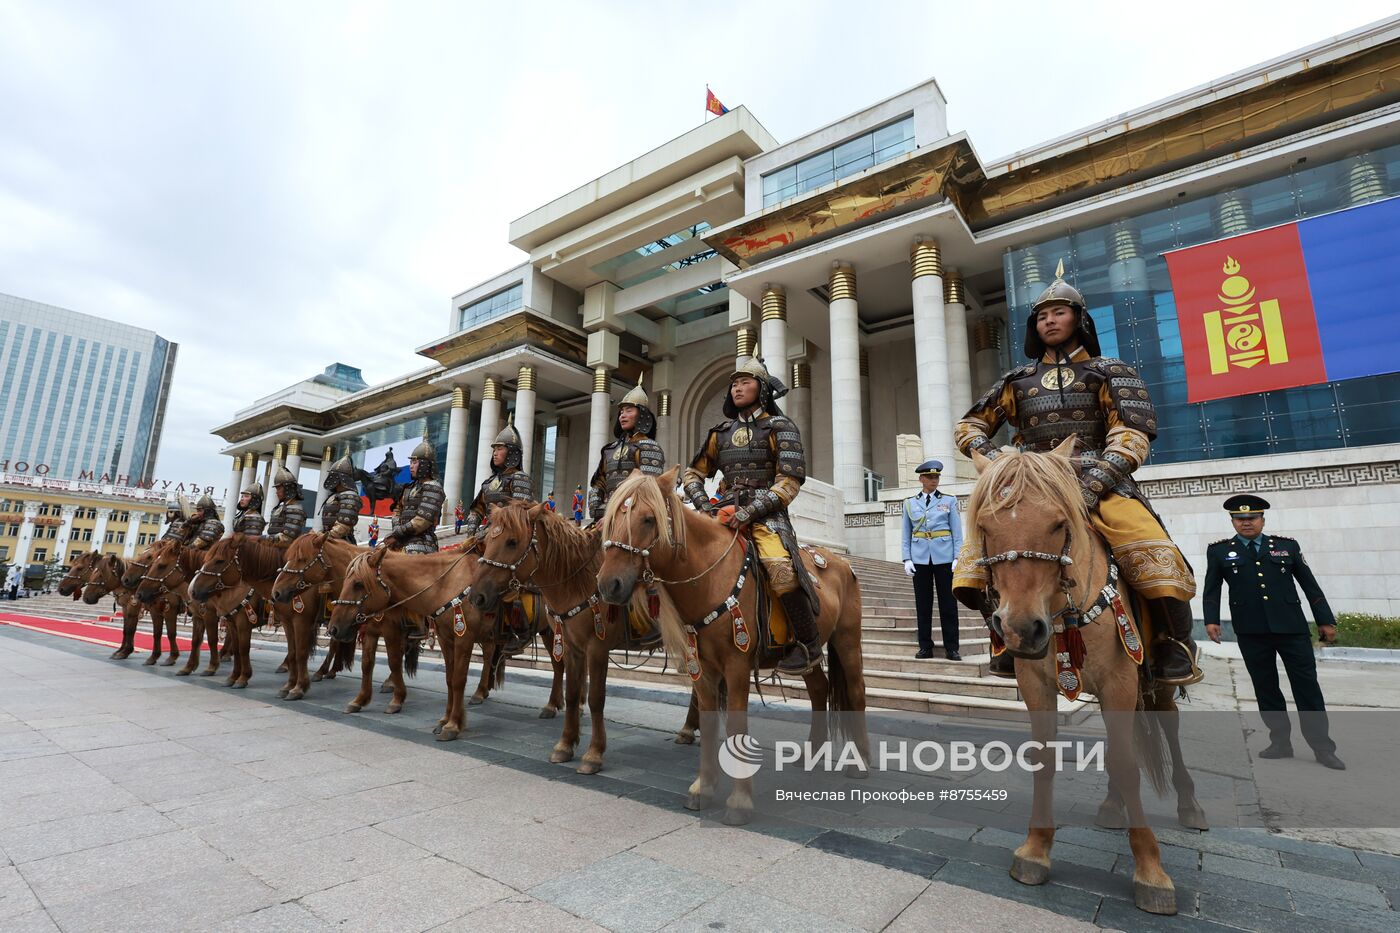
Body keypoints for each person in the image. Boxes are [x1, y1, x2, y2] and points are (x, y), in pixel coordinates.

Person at [952, 263, 1200, 685]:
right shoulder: (1017, 380)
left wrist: (1096, 480)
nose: (1050, 320)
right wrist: (999, 463)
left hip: (1100, 481)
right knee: (972, 565)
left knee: (1152, 548)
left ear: (1079, 319)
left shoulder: (1111, 371)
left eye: (1059, 312)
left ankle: (1174, 644)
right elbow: (968, 427)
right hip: (1030, 486)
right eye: (1042, 315)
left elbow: (1132, 431)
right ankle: (1009, 637)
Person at [682, 356, 819, 675]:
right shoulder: (720, 432)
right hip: (723, 513)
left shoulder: (781, 427)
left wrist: (752, 510)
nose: (737, 388)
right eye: (734, 383)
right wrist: (703, 505)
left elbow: (789, 481)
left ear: (762, 389)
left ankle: (807, 643)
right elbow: (692, 474)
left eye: (745, 381)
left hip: (766, 517)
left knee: (781, 570)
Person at [1202, 495, 1344, 770]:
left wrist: (1325, 620)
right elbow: (1212, 589)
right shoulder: (1219, 552)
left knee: (1307, 688)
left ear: (1262, 520)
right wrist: (1211, 620)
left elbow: (1310, 586)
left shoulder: (1286, 547)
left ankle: (1323, 748)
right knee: (1266, 689)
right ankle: (1280, 742)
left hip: (1292, 629)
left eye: (1252, 518)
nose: (1246, 523)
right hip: (1251, 630)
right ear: (1232, 521)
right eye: (1240, 519)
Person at [380, 438, 445, 641]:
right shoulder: (409, 488)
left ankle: (417, 620)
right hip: (401, 538)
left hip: (421, 541)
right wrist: (396, 530)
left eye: (416, 462)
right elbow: (397, 509)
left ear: (425, 465)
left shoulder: (433, 487)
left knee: (410, 563)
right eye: (411, 461)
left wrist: (398, 534)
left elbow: (422, 520)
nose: (411, 466)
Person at [901, 459, 963, 661]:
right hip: (920, 559)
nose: (934, 480)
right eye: (930, 477)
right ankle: (925, 646)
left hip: (944, 558)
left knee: (948, 604)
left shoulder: (949, 501)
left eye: (936, 477)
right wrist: (906, 558)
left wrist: (957, 556)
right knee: (923, 604)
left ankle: (952, 647)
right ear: (921, 479)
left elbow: (957, 532)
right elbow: (905, 533)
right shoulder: (910, 503)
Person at [589, 376, 665, 521]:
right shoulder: (609, 450)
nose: (622, 416)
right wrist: (596, 510)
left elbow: (647, 490)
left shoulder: (650, 447)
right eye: (622, 412)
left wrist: (615, 514)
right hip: (606, 516)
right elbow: (598, 484)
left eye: (629, 410)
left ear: (642, 414)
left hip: (635, 517)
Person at [462, 424, 534, 541]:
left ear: (512, 452)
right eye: (494, 449)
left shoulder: (520, 478)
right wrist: (471, 535)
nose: (494, 453)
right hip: (488, 535)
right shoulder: (489, 482)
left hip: (509, 540)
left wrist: (487, 532)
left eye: (500, 449)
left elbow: (519, 515)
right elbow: (477, 510)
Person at [320, 454, 362, 542]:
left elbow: (343, 526)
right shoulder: (334, 496)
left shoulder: (350, 496)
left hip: (342, 543)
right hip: (328, 540)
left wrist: (327, 537)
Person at [265, 466, 307, 543]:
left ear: (288, 488)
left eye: (278, 488)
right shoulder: (281, 508)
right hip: (272, 548)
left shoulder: (295, 509)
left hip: (285, 550)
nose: (276, 492)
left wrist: (264, 538)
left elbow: (287, 537)